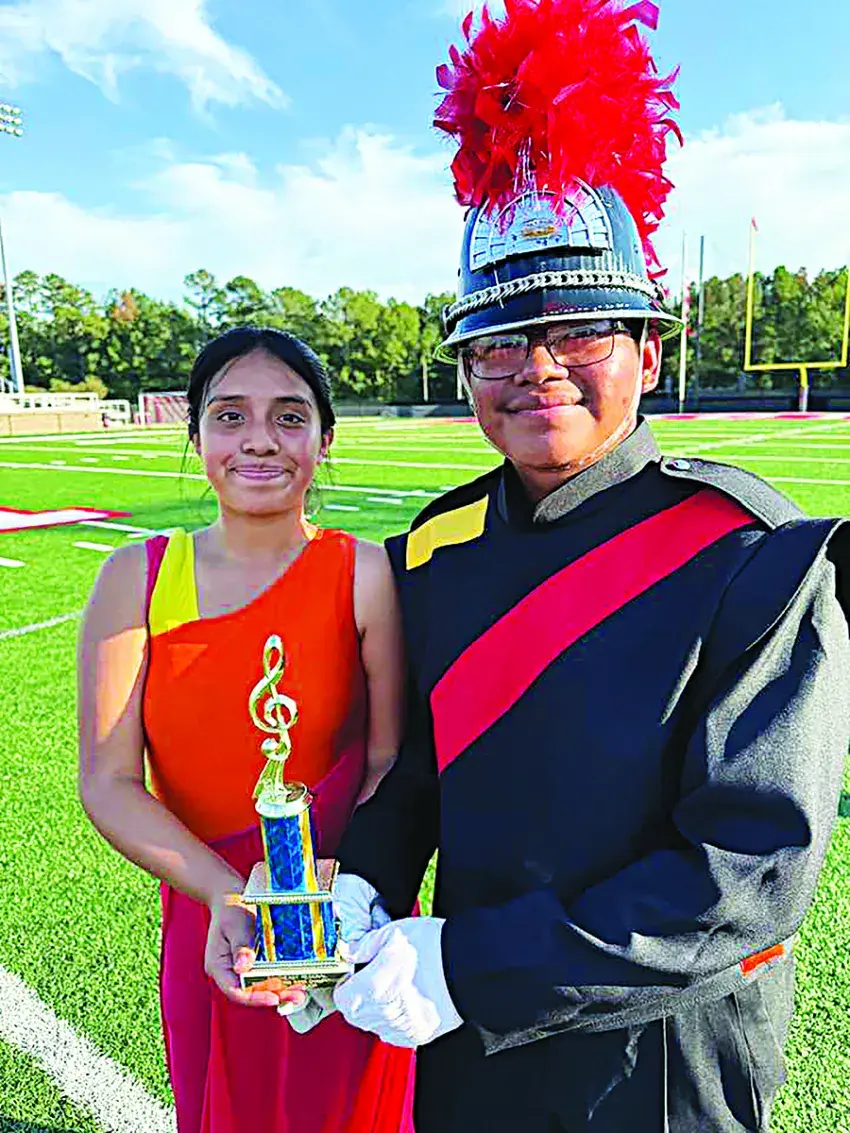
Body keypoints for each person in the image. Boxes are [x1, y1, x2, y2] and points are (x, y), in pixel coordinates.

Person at [327, 2, 850, 1131]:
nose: (537, 367)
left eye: (580, 331)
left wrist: (474, 966)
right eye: (498, 343)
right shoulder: (437, 547)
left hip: (654, 1067)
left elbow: (747, 871)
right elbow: (417, 770)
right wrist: (357, 881)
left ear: (649, 352)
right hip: (465, 1047)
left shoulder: (754, 555)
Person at [77, 327, 415, 1133]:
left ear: (325, 439)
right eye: (229, 415)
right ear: (195, 435)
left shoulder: (364, 571)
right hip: (210, 920)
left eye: (289, 416)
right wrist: (225, 892)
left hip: (343, 917)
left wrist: (335, 895)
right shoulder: (139, 578)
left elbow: (388, 762)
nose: (259, 439)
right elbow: (109, 781)